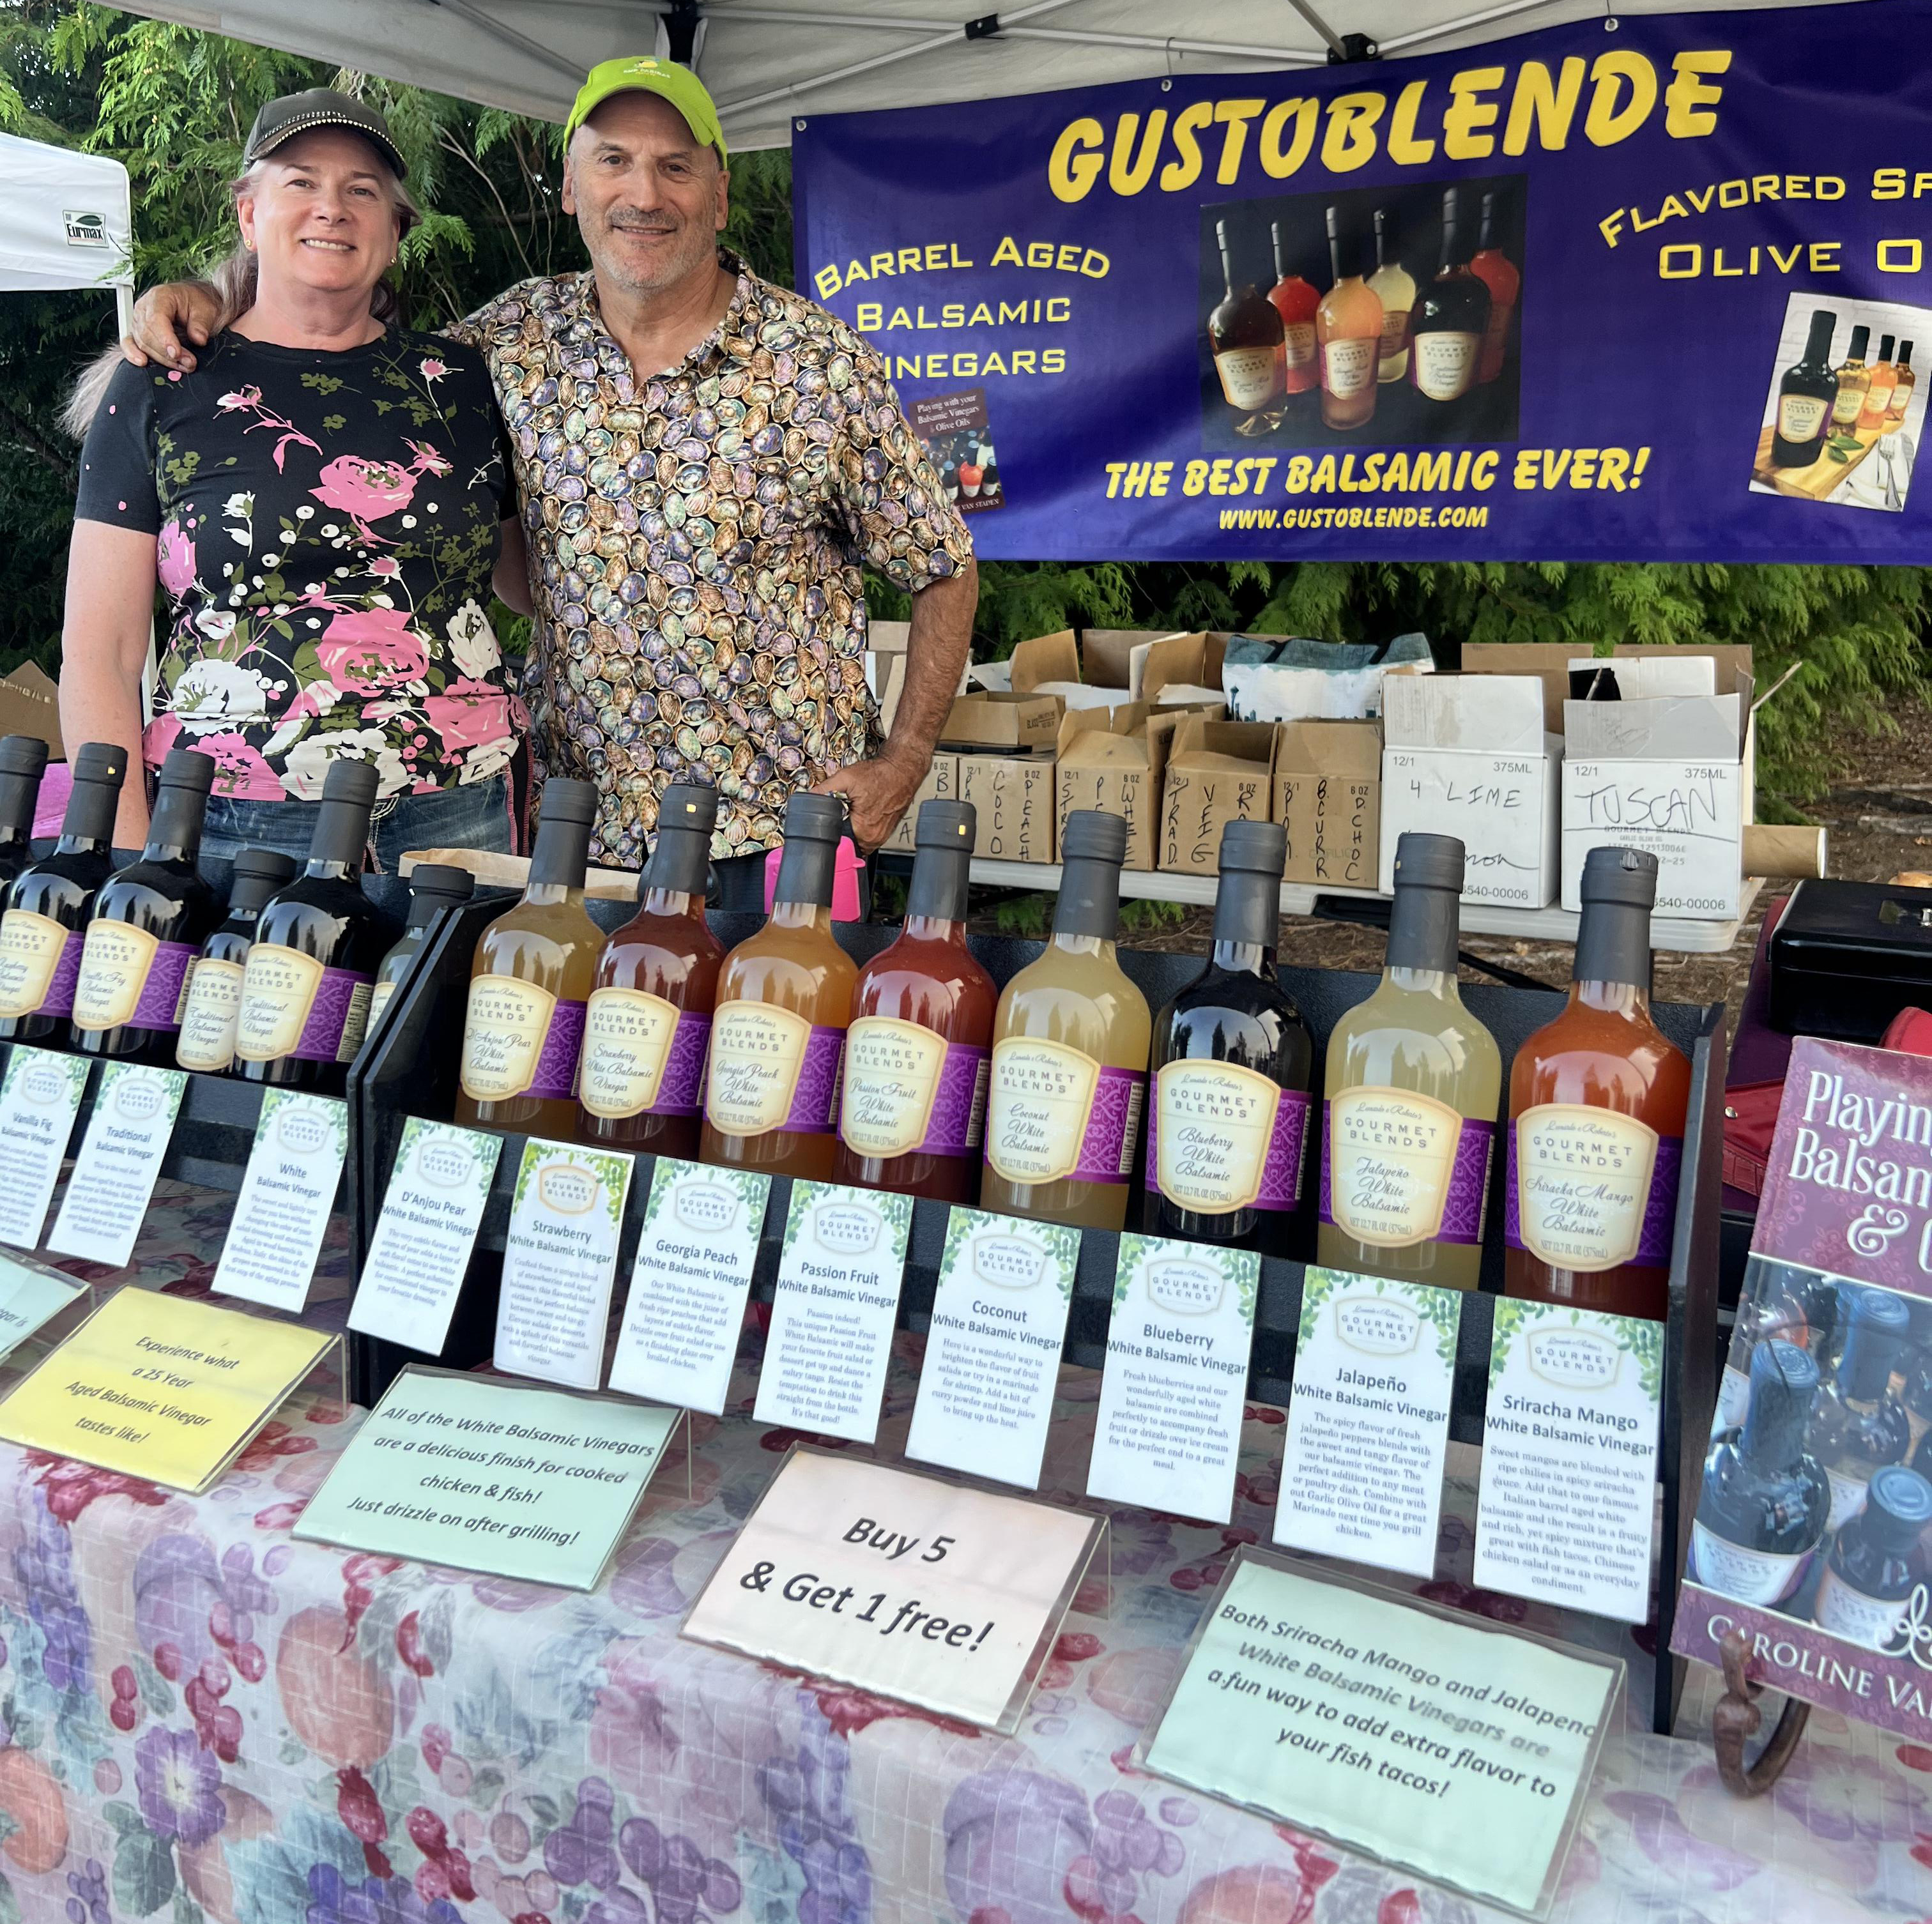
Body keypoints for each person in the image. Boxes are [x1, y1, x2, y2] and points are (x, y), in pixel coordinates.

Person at [125, 58, 977, 905]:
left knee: (786, 1040)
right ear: (570, 186)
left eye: (676, 166)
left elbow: (946, 564)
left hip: (781, 835)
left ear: (718, 196)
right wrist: (205, 302)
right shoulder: (507, 342)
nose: (644, 193)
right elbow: (342, 355)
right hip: (577, 838)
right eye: (613, 160)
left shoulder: (821, 365)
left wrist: (903, 765)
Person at [73, 89, 526, 867]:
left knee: (452, 997)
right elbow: (101, 650)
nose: (332, 208)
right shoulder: (164, 383)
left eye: (361, 191)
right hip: (227, 817)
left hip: (458, 810)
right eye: (301, 183)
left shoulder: (460, 381)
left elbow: (531, 580)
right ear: (249, 216)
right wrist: (119, 852)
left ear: (394, 230)